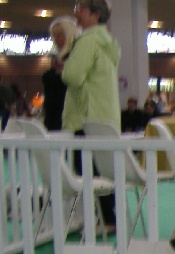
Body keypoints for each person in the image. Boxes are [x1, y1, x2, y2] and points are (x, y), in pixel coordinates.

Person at [61, 0, 120, 230]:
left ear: (95, 15)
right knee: (104, 171)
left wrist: (65, 66)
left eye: (81, 10)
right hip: (105, 117)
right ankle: (109, 217)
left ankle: (103, 220)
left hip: (85, 117)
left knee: (87, 172)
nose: (76, 14)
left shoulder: (87, 41)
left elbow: (73, 76)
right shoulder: (110, 42)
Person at [41, 16, 80, 131]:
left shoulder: (74, 57)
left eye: (59, 35)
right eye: (54, 36)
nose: (56, 39)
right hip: (53, 114)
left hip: (66, 112)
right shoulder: (57, 57)